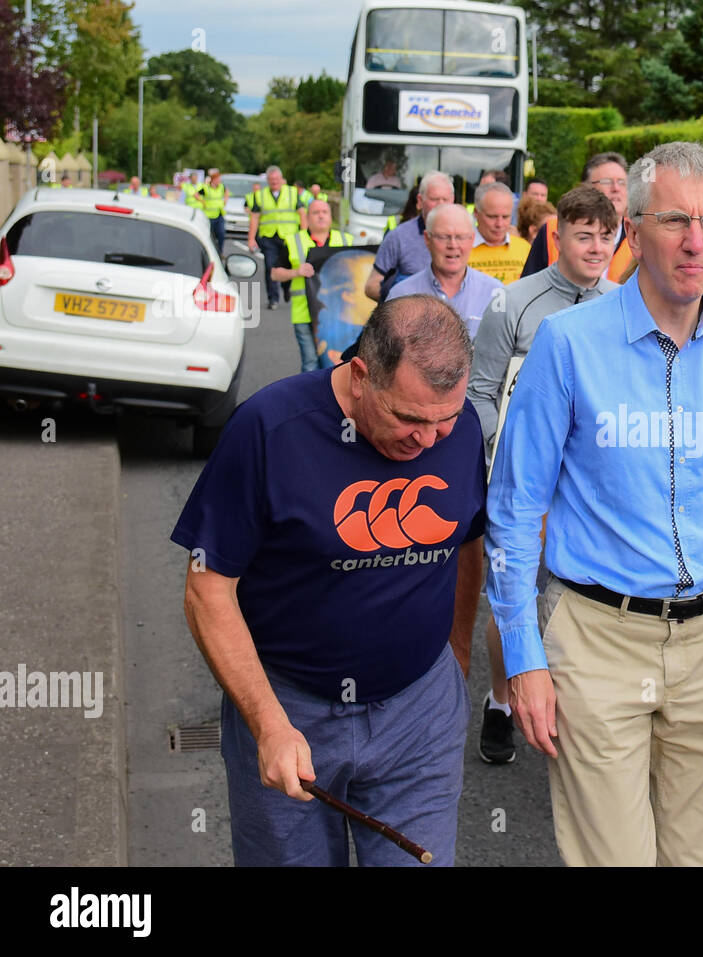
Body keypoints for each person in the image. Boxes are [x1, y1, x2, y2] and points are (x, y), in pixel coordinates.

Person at [485, 141, 703, 866]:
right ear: (634, 226)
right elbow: (516, 510)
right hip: (597, 640)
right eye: (676, 219)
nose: (696, 241)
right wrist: (521, 656)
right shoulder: (567, 344)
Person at [172, 295, 486, 866]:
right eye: (409, 419)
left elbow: (468, 542)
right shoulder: (270, 428)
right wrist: (268, 724)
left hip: (421, 712)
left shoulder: (458, 431)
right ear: (361, 375)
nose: (428, 443)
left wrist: (457, 660)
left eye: (445, 421)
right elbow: (206, 588)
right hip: (291, 707)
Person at [467, 184, 619, 764]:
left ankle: (578, 705)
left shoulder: (622, 302)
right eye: (584, 235)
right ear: (558, 237)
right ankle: (501, 702)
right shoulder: (514, 303)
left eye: (607, 237)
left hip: (588, 487)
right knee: (517, 595)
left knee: (592, 598)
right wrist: (497, 462)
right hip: (522, 484)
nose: (597, 247)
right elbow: (481, 395)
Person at [389, 204, 503, 338]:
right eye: (443, 237)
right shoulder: (401, 295)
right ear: (427, 239)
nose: (453, 245)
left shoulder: (495, 294)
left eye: (460, 237)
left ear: (472, 239)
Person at [519, 152, 634, 283]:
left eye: (622, 182)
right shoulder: (552, 228)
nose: (616, 188)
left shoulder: (637, 236)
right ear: (586, 186)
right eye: (607, 181)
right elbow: (530, 287)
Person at [270, 198, 354, 373]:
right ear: (307, 217)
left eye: (325, 212)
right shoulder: (293, 241)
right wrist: (296, 272)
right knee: (310, 364)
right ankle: (310, 399)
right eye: (316, 213)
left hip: (338, 315)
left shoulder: (346, 240)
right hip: (304, 314)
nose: (321, 216)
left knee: (335, 364)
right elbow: (275, 274)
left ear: (331, 217)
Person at [365, 171, 454, 303]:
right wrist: (405, 303)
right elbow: (371, 287)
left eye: (445, 199)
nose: (440, 205)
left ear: (452, 201)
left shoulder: (466, 235)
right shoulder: (398, 237)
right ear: (419, 201)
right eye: (434, 199)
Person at [247, 166, 308, 311]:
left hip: (289, 238)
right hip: (268, 237)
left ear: (281, 179)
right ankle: (273, 298)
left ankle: (286, 287)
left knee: (288, 266)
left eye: (277, 179)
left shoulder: (292, 193)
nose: (274, 182)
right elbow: (254, 218)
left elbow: (302, 214)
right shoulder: (260, 195)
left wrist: (304, 235)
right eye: (271, 179)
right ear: (267, 181)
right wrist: (251, 239)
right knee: (270, 267)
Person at [468, 182, 531, 285]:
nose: (499, 224)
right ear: (476, 213)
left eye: (505, 217)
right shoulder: (459, 248)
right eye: (492, 217)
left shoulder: (525, 248)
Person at [197, 168, 228, 251]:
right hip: (209, 216)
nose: (219, 181)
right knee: (210, 235)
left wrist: (225, 200)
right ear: (213, 179)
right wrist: (203, 202)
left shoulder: (221, 187)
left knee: (221, 234)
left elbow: (226, 192)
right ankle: (209, 251)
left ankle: (220, 252)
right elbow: (196, 194)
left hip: (219, 214)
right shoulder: (206, 188)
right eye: (218, 179)